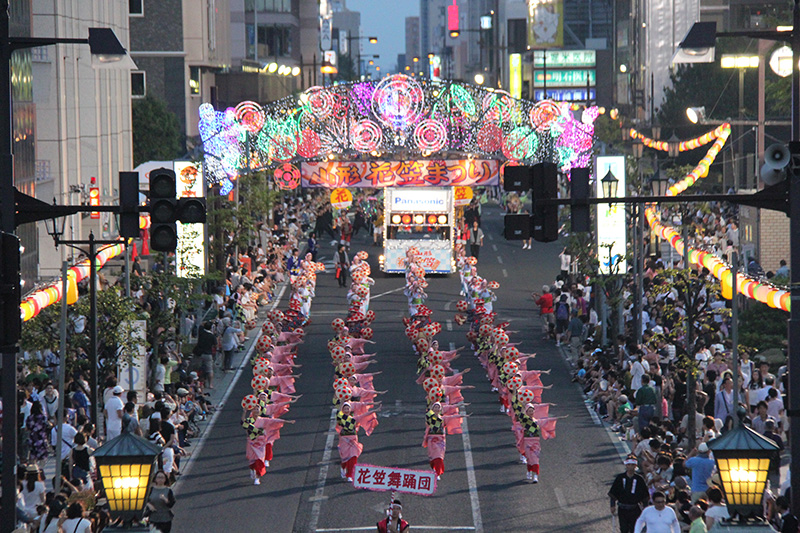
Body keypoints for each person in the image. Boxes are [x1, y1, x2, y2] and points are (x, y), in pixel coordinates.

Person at [609, 454, 649, 533]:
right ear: (626, 465)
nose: (630, 467)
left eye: (632, 465)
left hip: (634, 509)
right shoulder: (620, 478)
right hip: (622, 509)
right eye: (629, 465)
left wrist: (645, 508)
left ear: (635, 466)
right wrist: (612, 505)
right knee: (624, 529)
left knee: (634, 529)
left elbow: (644, 495)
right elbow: (614, 492)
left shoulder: (639, 479)